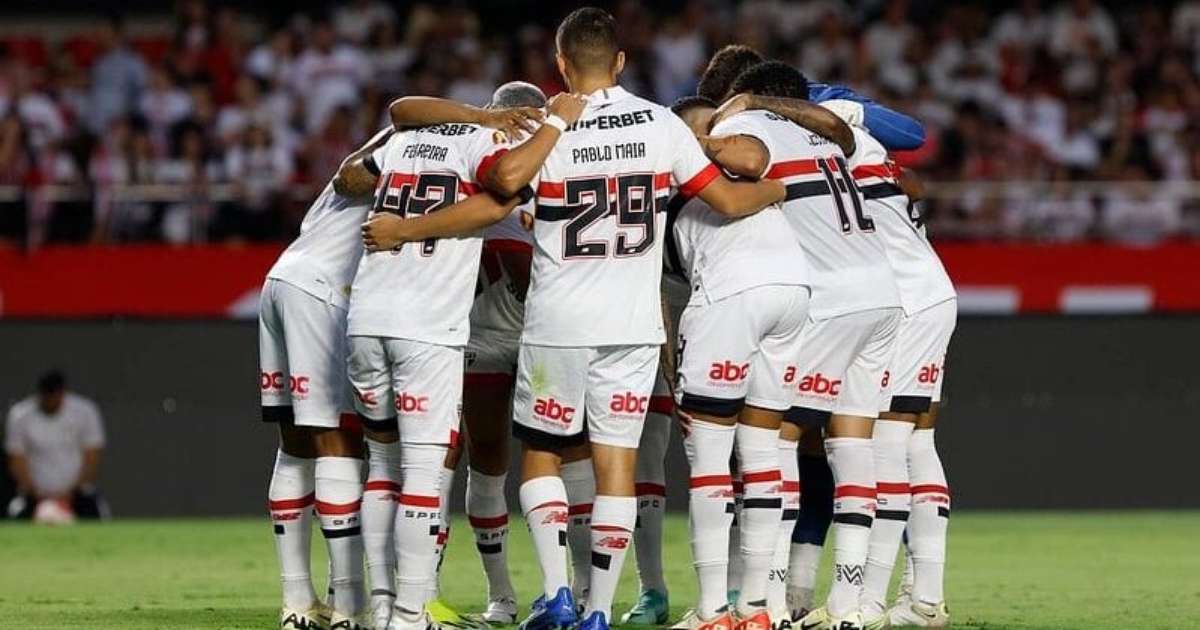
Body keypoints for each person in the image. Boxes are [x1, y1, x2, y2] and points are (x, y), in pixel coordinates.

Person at [336, 86, 579, 630]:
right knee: (433, 471)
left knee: (385, 467)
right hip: (439, 329)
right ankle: (413, 611)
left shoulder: (408, 140)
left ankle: (385, 605)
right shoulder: (490, 148)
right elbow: (504, 189)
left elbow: (395, 115)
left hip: (371, 315)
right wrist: (546, 129)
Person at [709, 61, 904, 630]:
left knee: (772, 438)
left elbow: (744, 161)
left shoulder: (754, 125)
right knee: (852, 445)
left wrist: (707, 133)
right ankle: (846, 607)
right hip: (882, 296)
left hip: (832, 300)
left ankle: (767, 602)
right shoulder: (822, 135)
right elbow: (843, 131)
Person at [662, 93, 841, 630]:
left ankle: (713, 610)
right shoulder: (753, 173)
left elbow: (662, 287)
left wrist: (671, 355)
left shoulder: (672, 183)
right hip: (794, 292)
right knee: (762, 452)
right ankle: (756, 607)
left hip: (732, 296)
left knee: (710, 460)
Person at [259, 127, 395, 630]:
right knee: (337, 437)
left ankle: (298, 601)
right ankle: (349, 605)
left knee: (295, 444)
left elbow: (347, 177)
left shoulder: (370, 153)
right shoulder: (418, 152)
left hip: (282, 278)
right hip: (324, 289)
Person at [5, 371, 107, 521]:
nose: (51, 401)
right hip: (34, 495)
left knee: (96, 515)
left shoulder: (85, 411)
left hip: (77, 494)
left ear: (63, 393)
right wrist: (37, 493)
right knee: (15, 517)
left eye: (55, 396)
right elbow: (16, 460)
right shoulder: (20, 415)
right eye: (47, 397)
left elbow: (92, 456)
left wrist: (70, 493)